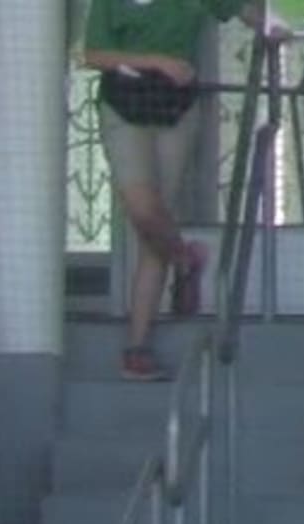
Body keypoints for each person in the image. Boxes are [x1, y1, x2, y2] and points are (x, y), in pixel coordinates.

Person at [84, 1, 266, 381]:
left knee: (159, 220)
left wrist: (300, 21)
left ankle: (137, 347)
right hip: (124, 104)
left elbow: (252, 14)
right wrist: (157, 61)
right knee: (142, 209)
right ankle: (184, 259)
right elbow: (93, 53)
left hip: (175, 109)